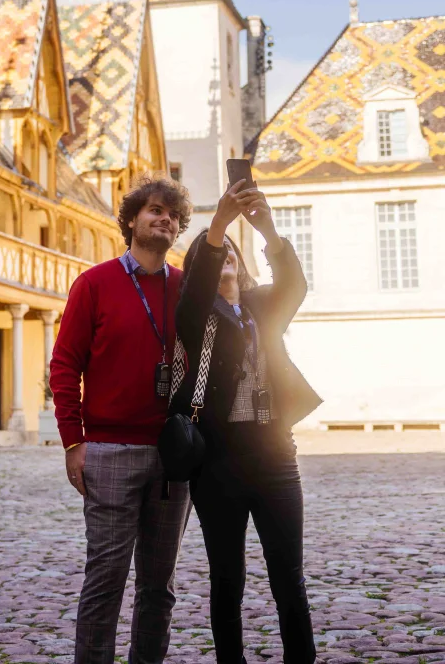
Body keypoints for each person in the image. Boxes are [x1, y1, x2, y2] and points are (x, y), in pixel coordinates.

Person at [171, 180, 321, 664]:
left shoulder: (263, 308)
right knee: (227, 582)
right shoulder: (194, 316)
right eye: (215, 253)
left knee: (288, 577)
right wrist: (216, 225)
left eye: (231, 250)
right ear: (201, 267)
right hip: (216, 465)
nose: (226, 255)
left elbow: (295, 284)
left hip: (276, 459)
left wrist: (267, 229)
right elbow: (193, 297)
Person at [49, 175, 193, 664]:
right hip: (110, 451)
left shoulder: (186, 287)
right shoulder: (94, 283)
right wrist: (74, 442)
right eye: (153, 210)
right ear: (131, 219)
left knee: (159, 586)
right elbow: (65, 365)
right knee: (106, 579)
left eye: (172, 214)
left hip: (173, 454)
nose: (164, 219)